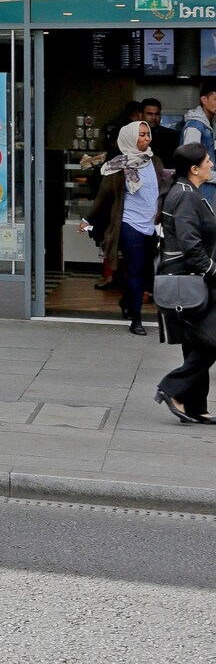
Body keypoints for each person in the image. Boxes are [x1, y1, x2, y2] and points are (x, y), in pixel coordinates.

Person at [154, 139, 216, 425]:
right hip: (190, 278)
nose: (211, 165)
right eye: (207, 162)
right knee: (209, 341)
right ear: (194, 168)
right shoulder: (186, 196)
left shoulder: (185, 191)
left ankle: (194, 406)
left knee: (197, 343)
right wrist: (212, 269)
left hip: (187, 278)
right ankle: (171, 387)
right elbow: (190, 245)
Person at [116, 119, 169, 337]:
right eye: (141, 134)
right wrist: (88, 220)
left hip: (152, 225)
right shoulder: (120, 164)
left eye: (148, 134)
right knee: (136, 271)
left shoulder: (154, 161)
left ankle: (126, 301)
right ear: (130, 137)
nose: (146, 138)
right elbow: (105, 196)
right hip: (130, 224)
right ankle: (136, 320)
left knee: (147, 271)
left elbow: (163, 187)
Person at [180, 84, 216, 206]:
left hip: (208, 190)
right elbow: (190, 163)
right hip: (198, 192)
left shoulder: (209, 125)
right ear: (204, 100)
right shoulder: (194, 126)